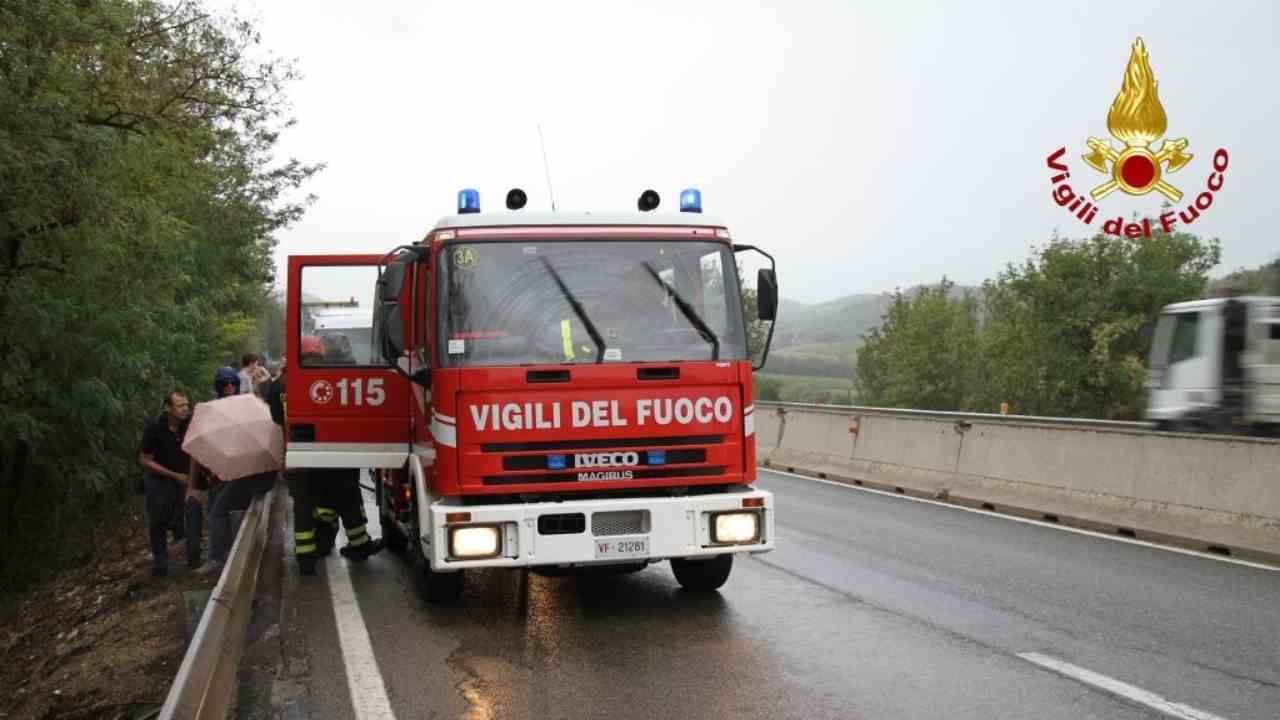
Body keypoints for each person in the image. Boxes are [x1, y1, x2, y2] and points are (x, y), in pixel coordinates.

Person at [140, 390, 192, 577]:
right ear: (168, 408)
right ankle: (160, 564)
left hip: (182, 479)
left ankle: (189, 556)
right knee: (158, 522)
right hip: (159, 480)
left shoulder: (188, 424)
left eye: (187, 405)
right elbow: (145, 460)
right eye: (180, 406)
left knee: (184, 514)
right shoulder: (154, 427)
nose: (185, 409)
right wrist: (173, 475)